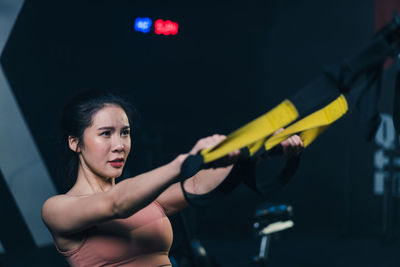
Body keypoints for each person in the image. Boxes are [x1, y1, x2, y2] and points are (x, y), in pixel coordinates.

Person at [41, 90, 303, 267]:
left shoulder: (145, 196)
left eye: (125, 133)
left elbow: (197, 184)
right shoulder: (57, 209)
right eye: (106, 133)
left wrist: (255, 150)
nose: (120, 144)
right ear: (75, 142)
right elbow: (115, 203)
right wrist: (185, 161)